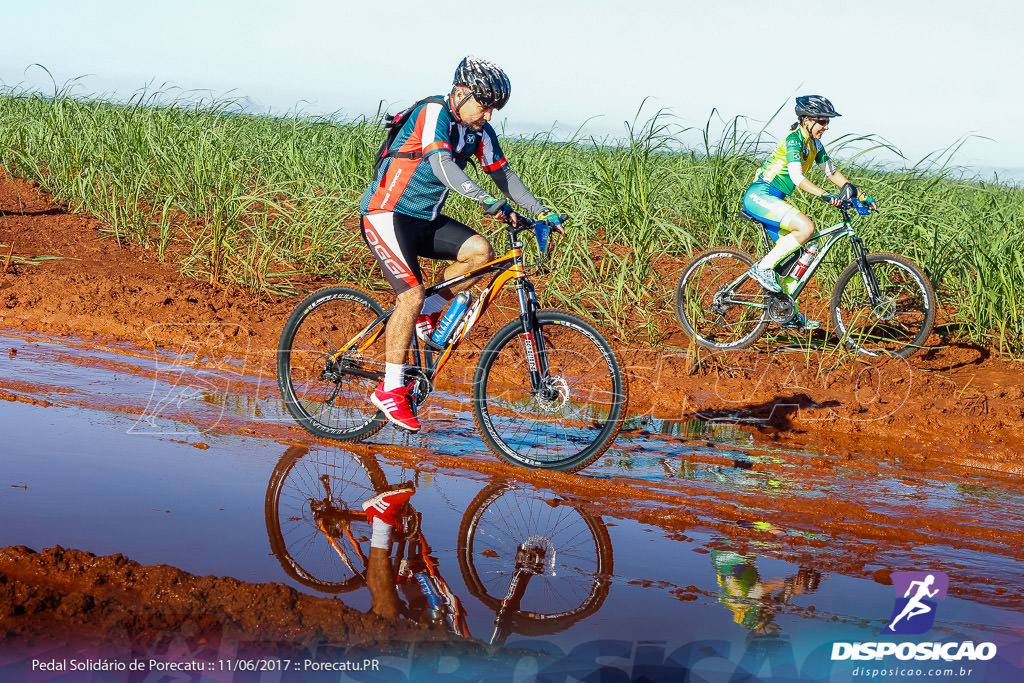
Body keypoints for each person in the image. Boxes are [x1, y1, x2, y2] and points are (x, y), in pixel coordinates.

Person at [359, 55, 561, 433]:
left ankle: (428, 312)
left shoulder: (479, 132)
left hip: (423, 219)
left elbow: (504, 175)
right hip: (385, 213)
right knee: (410, 295)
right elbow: (441, 165)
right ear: (461, 93)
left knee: (480, 253)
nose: (488, 114)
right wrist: (484, 200)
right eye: (484, 105)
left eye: (494, 108)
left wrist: (541, 211)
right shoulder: (435, 112)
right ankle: (389, 390)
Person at [742, 95, 875, 330]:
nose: (826, 127)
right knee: (806, 227)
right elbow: (797, 178)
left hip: (775, 199)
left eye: (827, 122)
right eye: (822, 121)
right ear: (806, 120)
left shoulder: (816, 145)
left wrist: (860, 196)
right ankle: (762, 268)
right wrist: (824, 195)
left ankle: (785, 308)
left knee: (811, 245)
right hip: (760, 195)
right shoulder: (794, 141)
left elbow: (833, 173)